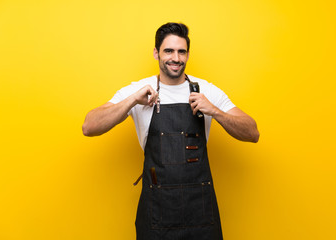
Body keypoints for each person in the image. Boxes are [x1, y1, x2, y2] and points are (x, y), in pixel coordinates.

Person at [82, 22, 259, 240]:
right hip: (157, 213)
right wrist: (131, 101)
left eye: (181, 51)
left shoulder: (206, 91)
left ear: (187, 54)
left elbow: (252, 133)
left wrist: (215, 111)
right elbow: (89, 126)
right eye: (169, 51)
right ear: (156, 53)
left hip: (200, 213)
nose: (176, 58)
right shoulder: (139, 90)